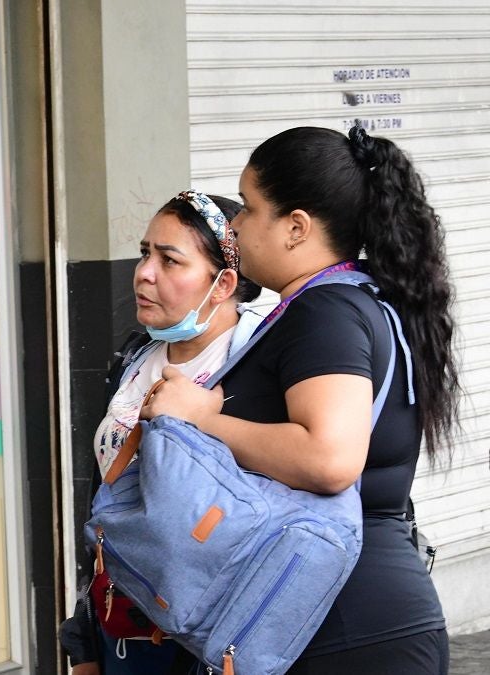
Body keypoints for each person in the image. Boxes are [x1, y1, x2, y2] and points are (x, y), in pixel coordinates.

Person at [147, 126, 457, 673]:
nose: (236, 226)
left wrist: (202, 415)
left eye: (247, 207)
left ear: (295, 228)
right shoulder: (356, 300)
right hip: (345, 614)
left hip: (346, 627)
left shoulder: (327, 312)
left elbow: (328, 459)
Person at [59, 191, 262, 675]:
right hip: (122, 628)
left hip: (204, 639)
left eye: (170, 260)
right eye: (146, 252)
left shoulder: (254, 365)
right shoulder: (134, 358)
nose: (145, 272)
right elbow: (106, 507)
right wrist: (85, 641)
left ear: (223, 283)